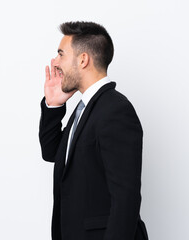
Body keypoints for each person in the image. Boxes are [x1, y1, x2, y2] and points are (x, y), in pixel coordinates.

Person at [39, 21, 149, 240]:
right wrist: (54, 105)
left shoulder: (115, 110)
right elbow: (52, 152)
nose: (55, 62)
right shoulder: (85, 109)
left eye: (61, 54)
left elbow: (125, 199)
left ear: (83, 59)